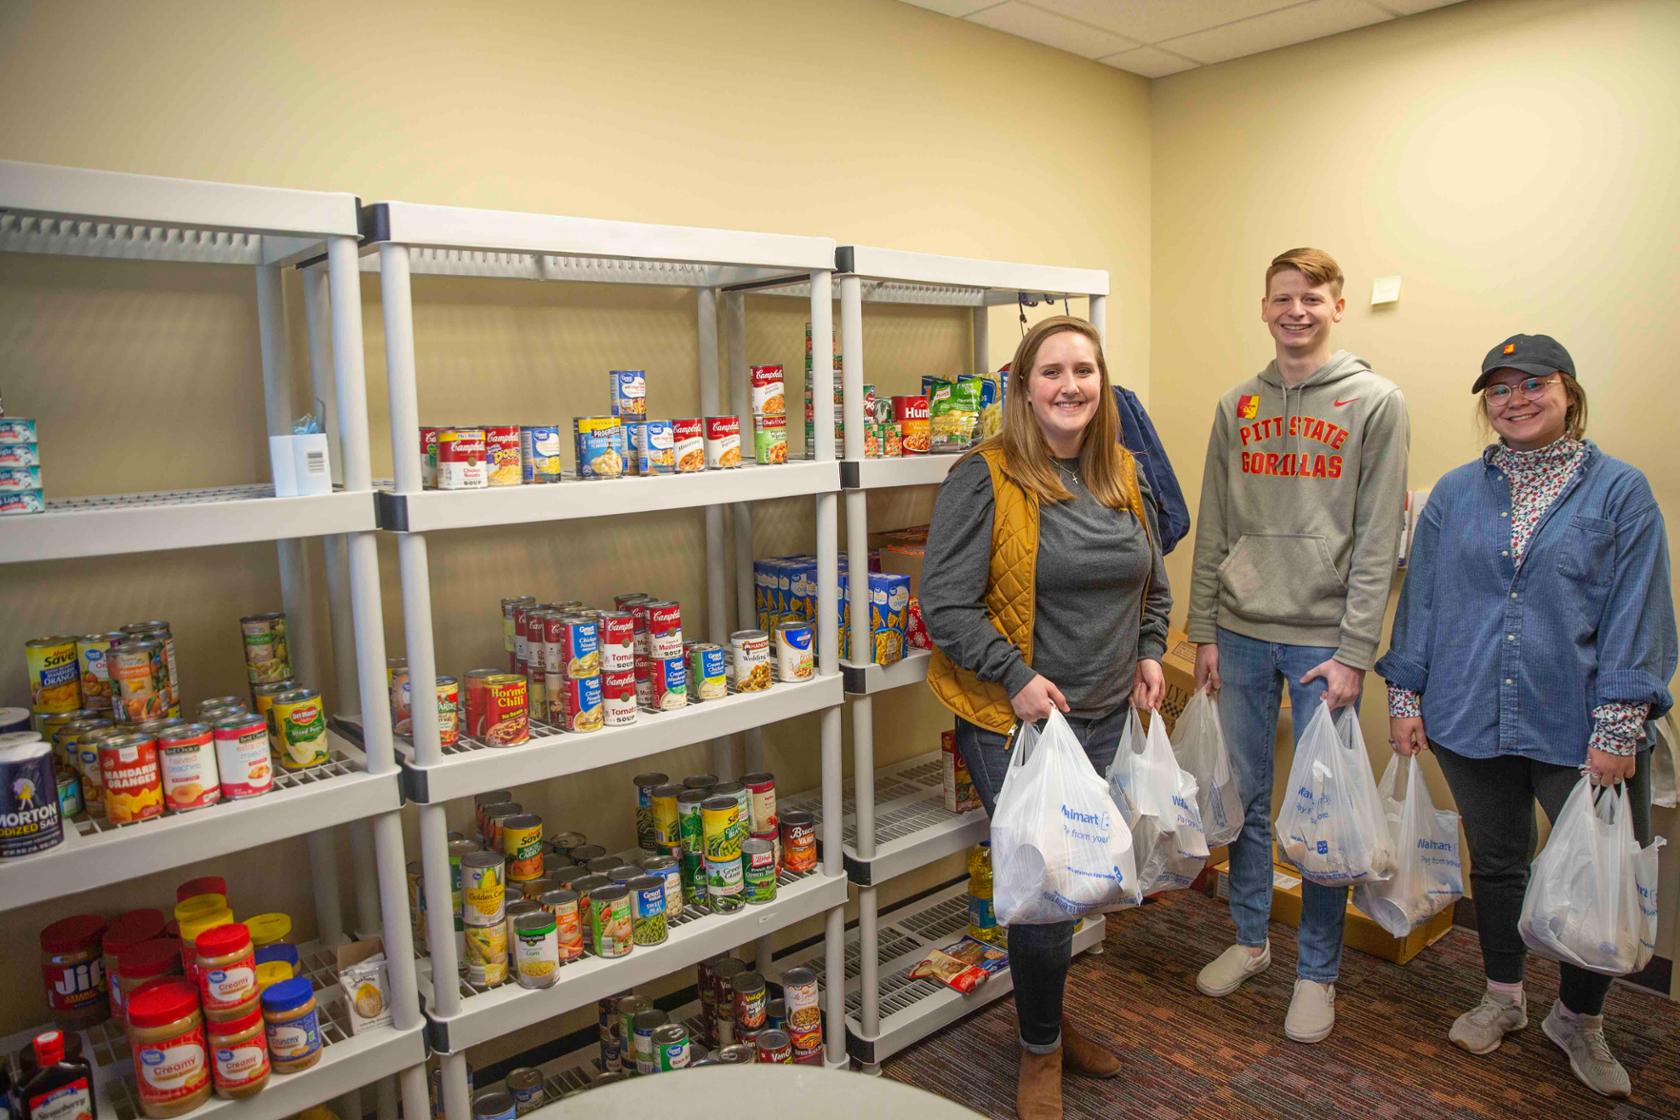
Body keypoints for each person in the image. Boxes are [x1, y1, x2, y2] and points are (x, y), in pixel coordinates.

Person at [1376, 334, 1676, 1098]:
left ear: (1568, 391)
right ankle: (1503, 997)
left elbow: (1640, 613)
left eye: (1532, 383)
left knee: (1592, 877)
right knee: (1501, 863)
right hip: (1468, 713)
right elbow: (1424, 603)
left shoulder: (1619, 491)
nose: (1515, 399)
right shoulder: (1452, 494)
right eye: (1498, 389)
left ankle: (1579, 1019)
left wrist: (1617, 728)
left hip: (1578, 725)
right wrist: (1405, 696)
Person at [922, 314, 1171, 1120]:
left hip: (1101, 718)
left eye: (1085, 372)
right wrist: (1017, 676)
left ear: (1104, 385)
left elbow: (1153, 582)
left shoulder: (1122, 470)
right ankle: (1038, 1055)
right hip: (1016, 721)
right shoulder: (985, 476)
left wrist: (1150, 648)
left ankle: (1045, 1019)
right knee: (1047, 889)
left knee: (1077, 883)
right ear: (1024, 388)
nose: (1071, 387)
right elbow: (946, 606)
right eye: (1052, 372)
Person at [1185, 247, 1409, 1043]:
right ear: (1265, 306)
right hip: (1241, 633)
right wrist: (1202, 627)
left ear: (1337, 306)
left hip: (1323, 643)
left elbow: (1379, 538)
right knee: (1242, 800)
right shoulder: (1235, 407)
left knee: (1321, 815)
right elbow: (1214, 521)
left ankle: (1317, 973)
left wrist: (1356, 652)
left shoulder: (1375, 402)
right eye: (1282, 297)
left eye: (1311, 297)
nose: (1296, 310)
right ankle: (1250, 940)